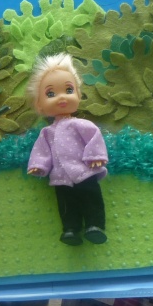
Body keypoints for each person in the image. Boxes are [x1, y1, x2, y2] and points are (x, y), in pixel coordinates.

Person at [26, 53, 108, 245]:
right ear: (39, 105)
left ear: (78, 94)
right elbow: (42, 151)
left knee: (92, 198)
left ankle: (95, 225)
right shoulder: (47, 132)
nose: (62, 97)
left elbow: (94, 138)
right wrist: (39, 165)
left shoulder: (81, 125)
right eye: (51, 94)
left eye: (69, 90)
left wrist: (95, 156)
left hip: (84, 171)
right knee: (66, 205)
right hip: (60, 177)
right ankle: (70, 229)